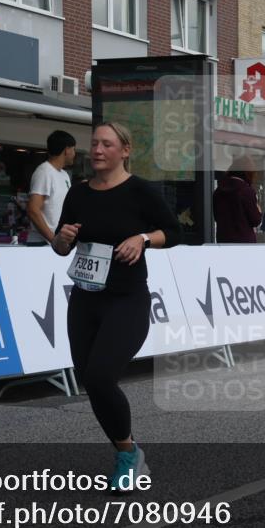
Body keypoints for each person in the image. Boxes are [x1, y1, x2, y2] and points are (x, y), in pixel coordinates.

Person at [52, 122, 180, 490]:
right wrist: (61, 239)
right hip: (84, 299)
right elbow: (62, 247)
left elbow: (174, 231)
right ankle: (129, 449)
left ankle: (127, 458)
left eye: (106, 144)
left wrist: (142, 239)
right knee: (90, 381)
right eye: (93, 144)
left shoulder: (140, 191)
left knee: (101, 375)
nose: (97, 150)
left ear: (125, 150)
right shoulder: (77, 194)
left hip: (127, 300)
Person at [26, 130, 76, 246]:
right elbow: (33, 209)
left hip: (57, 243)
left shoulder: (64, 175)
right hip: (42, 243)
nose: (74, 153)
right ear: (67, 150)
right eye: (73, 149)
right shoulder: (44, 172)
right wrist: (53, 239)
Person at [213, 156, 262, 243]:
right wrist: (258, 210)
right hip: (244, 242)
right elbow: (255, 220)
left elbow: (216, 217)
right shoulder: (246, 191)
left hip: (223, 240)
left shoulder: (218, 191)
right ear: (248, 173)